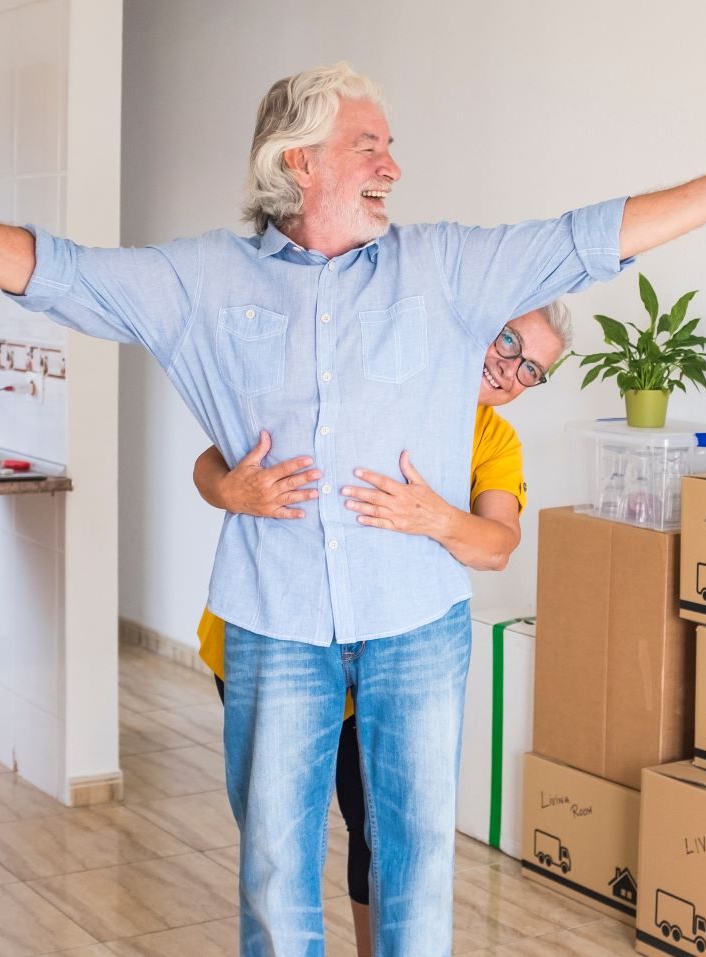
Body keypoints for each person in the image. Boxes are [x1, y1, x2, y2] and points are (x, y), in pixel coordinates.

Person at [0, 61, 706, 956]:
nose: (392, 164)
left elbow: (586, 235)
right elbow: (55, 272)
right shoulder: (200, 282)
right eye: (369, 145)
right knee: (276, 876)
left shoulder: (447, 269)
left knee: (418, 873)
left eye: (388, 147)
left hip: (417, 626)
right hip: (273, 624)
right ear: (300, 159)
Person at [194, 305, 565, 957]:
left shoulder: (493, 440)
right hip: (277, 645)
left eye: (530, 368)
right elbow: (214, 458)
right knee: (280, 845)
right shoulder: (365, 376)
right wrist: (230, 491)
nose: (508, 367)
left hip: (384, 665)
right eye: (507, 339)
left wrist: (434, 516)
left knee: (381, 836)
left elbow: (496, 543)